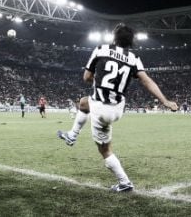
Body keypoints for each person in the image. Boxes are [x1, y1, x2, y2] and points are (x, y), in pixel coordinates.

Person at [57, 23, 178, 193]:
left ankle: (125, 182)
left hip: (101, 109)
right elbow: (146, 80)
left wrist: (99, 82)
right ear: (131, 42)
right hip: (117, 108)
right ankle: (72, 135)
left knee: (105, 150)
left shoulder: (100, 49)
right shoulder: (134, 58)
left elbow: (86, 77)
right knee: (84, 103)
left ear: (114, 38)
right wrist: (165, 101)